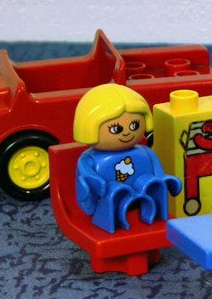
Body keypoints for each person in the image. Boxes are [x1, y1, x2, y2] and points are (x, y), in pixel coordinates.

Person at [72, 83, 181, 233]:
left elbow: (157, 169)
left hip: (145, 196)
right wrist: (99, 185)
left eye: (134, 125)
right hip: (110, 201)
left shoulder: (145, 152)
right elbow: (87, 178)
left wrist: (162, 178)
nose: (126, 133)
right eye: (116, 129)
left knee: (150, 181)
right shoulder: (89, 159)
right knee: (114, 189)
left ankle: (152, 210)